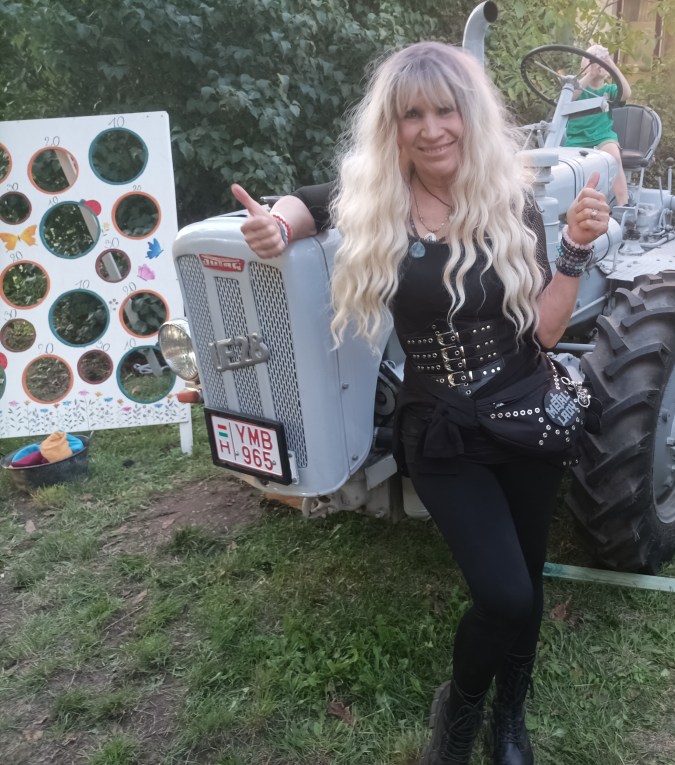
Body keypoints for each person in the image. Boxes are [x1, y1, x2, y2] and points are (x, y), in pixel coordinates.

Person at [231, 40, 610, 765]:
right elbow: (306, 203)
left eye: (445, 110)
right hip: (442, 430)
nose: (432, 129)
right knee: (503, 594)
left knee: (527, 580)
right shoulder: (377, 200)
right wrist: (276, 226)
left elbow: (547, 331)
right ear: (393, 126)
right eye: (413, 115)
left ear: (470, 115)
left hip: (526, 415)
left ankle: (509, 716)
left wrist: (573, 248)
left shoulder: (508, 200)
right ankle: (457, 718)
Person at [563, 44, 632, 207]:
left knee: (613, 156)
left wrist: (611, 64)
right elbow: (567, 99)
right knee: (568, 168)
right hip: (577, 138)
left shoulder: (610, 90)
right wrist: (590, 74)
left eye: (601, 62)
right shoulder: (578, 88)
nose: (597, 64)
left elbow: (626, 93)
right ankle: (569, 206)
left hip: (603, 137)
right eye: (592, 61)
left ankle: (623, 203)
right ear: (583, 68)